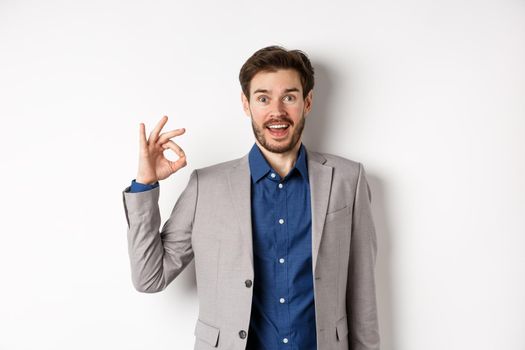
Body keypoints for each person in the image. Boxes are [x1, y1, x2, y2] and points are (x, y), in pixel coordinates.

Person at [122, 45, 380, 350]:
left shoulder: (348, 179)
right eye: (263, 98)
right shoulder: (207, 186)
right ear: (246, 104)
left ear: (307, 102)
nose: (277, 111)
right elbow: (149, 277)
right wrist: (145, 183)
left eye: (289, 97)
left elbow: (363, 294)